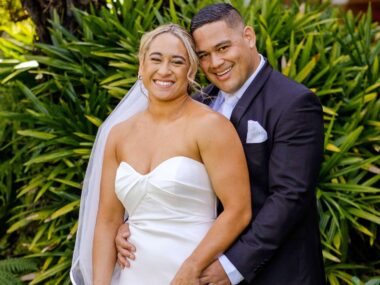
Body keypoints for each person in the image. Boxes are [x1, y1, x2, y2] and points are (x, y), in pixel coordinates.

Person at [116, 4, 326, 285]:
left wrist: (232, 266)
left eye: (223, 48)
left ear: (248, 37)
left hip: (277, 272)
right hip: (196, 263)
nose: (215, 63)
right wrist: (135, 225)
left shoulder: (293, 103)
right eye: (204, 55)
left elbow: (289, 197)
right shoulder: (198, 104)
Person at [70, 23, 252, 285]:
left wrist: (192, 267)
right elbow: (108, 220)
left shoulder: (211, 127)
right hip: (133, 274)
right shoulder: (118, 135)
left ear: (190, 70)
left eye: (177, 62)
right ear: (141, 66)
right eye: (155, 59)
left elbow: (238, 210)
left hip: (190, 274)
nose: (164, 70)